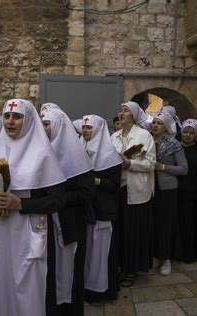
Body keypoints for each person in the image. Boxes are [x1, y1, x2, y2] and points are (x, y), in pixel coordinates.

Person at [0, 98, 66, 316]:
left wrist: (20, 203)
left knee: (30, 286)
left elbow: (57, 200)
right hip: (2, 228)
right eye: (7, 116)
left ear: (29, 120)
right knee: (3, 281)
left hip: (31, 228)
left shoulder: (43, 153)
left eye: (17, 117)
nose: (10, 122)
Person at [41, 105, 95, 315]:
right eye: (41, 124)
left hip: (69, 222)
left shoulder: (76, 154)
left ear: (58, 127)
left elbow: (87, 192)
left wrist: (59, 199)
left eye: (46, 124)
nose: (42, 128)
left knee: (68, 271)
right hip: (44, 223)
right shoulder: (39, 151)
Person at [111, 101, 155, 287]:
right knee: (120, 230)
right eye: (120, 110)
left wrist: (131, 164)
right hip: (118, 190)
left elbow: (151, 163)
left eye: (126, 111)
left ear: (134, 115)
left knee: (133, 231)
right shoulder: (114, 136)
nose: (121, 113)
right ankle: (120, 265)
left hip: (137, 191)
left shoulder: (144, 135)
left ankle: (132, 269)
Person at [81, 114, 122, 302]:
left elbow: (114, 185)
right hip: (85, 210)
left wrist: (95, 181)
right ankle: (86, 288)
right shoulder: (79, 148)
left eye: (89, 128)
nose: (85, 131)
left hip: (103, 210)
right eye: (84, 127)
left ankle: (101, 291)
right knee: (88, 252)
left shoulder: (110, 154)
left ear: (98, 129)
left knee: (101, 253)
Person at [151, 112, 188, 276]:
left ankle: (166, 258)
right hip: (149, 188)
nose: (155, 125)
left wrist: (163, 167)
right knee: (153, 223)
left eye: (159, 123)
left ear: (166, 127)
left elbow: (183, 169)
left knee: (166, 224)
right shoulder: (147, 141)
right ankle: (154, 254)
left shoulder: (174, 144)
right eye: (154, 122)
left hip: (167, 189)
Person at [176, 119, 197, 262]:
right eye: (186, 132)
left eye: (191, 133)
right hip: (178, 193)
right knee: (179, 225)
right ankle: (177, 253)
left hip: (194, 194)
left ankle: (191, 255)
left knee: (192, 226)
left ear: (196, 135)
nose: (188, 135)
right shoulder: (176, 148)